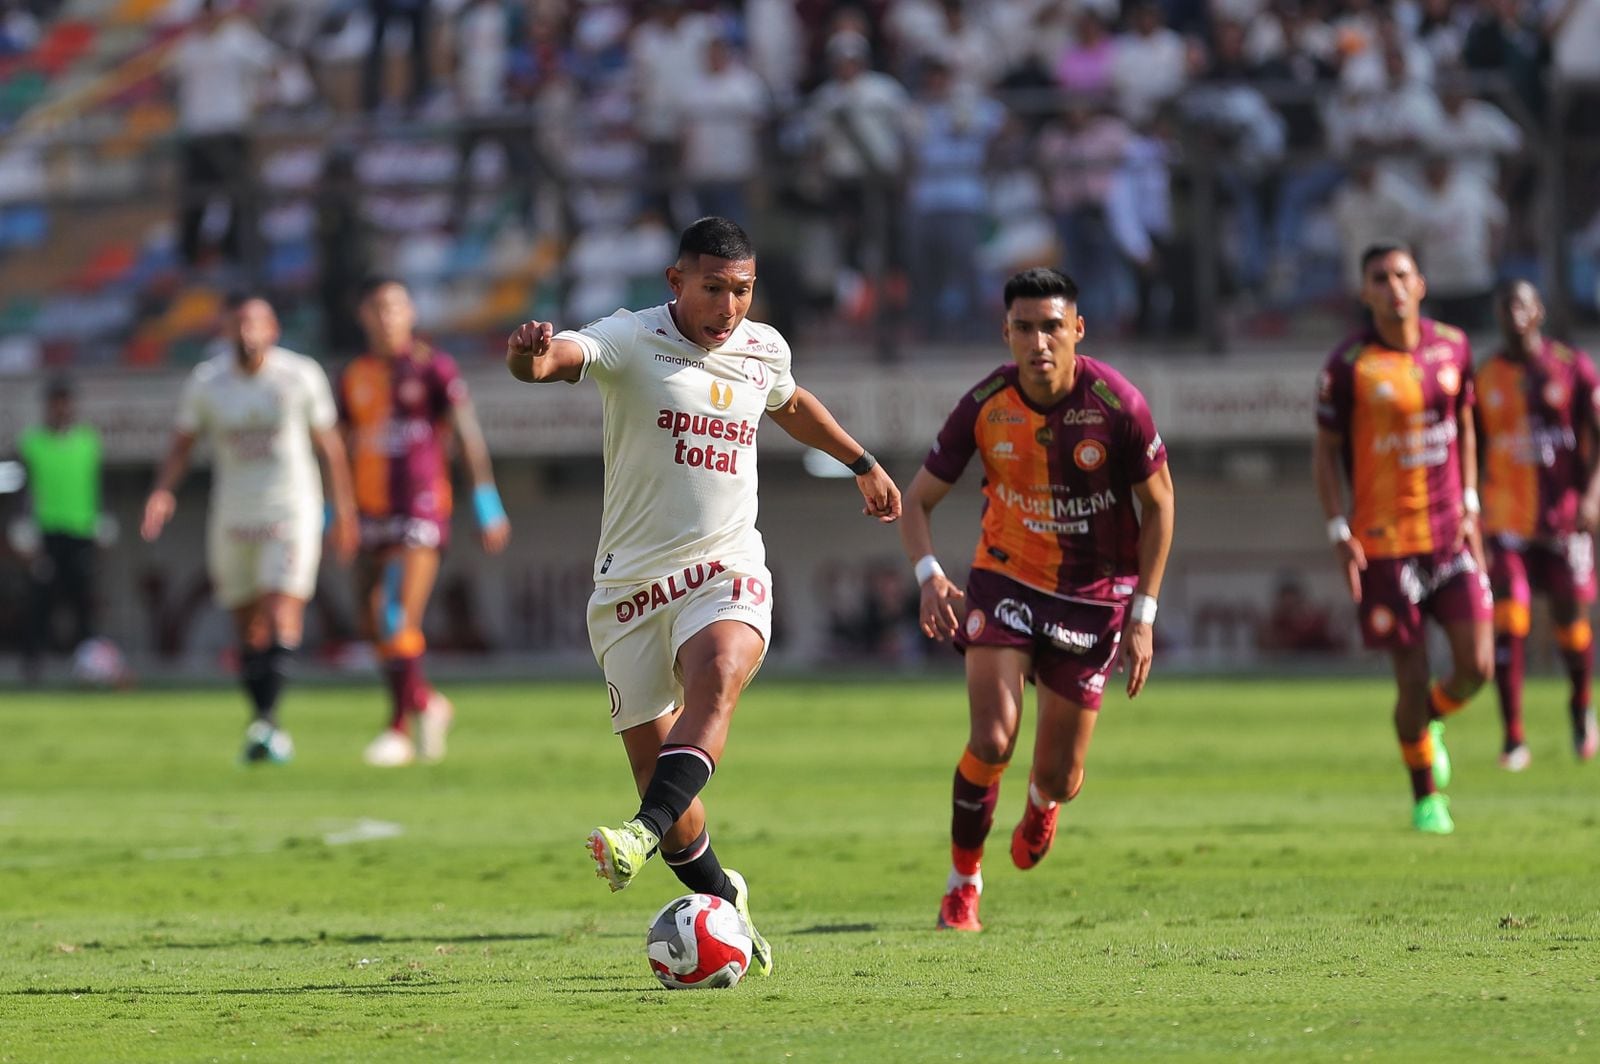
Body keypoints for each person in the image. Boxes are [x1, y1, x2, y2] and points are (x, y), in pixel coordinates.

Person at [504, 216, 902, 976]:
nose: (729, 307)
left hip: (725, 567)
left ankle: (637, 833)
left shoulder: (763, 347)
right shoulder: (631, 337)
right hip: (628, 592)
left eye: (742, 290)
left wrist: (862, 462)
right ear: (676, 281)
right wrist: (528, 355)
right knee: (673, 801)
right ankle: (723, 896)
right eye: (713, 288)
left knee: (717, 677)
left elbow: (789, 402)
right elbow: (555, 360)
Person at [898, 266, 1175, 933]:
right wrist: (930, 575)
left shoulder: (1118, 405)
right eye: (1024, 328)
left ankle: (1042, 802)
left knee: (1060, 776)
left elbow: (1161, 506)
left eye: (1052, 327)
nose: (1038, 341)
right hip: (1006, 581)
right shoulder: (985, 403)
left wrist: (1143, 614)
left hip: (1093, 598)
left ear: (1078, 329)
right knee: (991, 739)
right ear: (1007, 332)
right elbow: (917, 500)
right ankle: (963, 884)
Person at [1313, 243, 1494, 836]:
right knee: (1410, 677)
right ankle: (1426, 798)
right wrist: (1338, 529)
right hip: (1385, 545)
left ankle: (1428, 720)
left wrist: (1471, 503)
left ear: (1421, 284)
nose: (1392, 286)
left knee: (1477, 666)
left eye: (1401, 275)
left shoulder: (1454, 346)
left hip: (1449, 537)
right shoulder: (1349, 365)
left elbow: (1465, 423)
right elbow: (1325, 452)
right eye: (1379, 278)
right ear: (1364, 292)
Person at [141, 295, 358, 762]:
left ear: (273, 330)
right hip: (234, 513)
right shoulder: (207, 382)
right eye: (239, 323)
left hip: (291, 510)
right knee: (247, 625)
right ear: (225, 330)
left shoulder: (300, 376)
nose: (247, 332)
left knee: (282, 609)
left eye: (256, 323)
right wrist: (162, 492)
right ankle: (264, 722)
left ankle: (269, 721)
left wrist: (343, 510)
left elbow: (330, 447)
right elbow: (182, 443)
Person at [338, 277, 510, 767]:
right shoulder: (353, 376)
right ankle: (426, 702)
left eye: (395, 307)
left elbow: (467, 436)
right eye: (377, 308)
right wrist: (337, 511)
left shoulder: (434, 368)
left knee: (397, 616)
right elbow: (341, 449)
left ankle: (397, 730)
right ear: (363, 316)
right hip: (371, 512)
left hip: (422, 508)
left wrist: (486, 502)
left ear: (410, 313)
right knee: (371, 622)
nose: (386, 317)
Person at [1474, 279, 1600, 769]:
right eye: (1505, 307)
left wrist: (1592, 496)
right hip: (1506, 522)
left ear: (1539, 311)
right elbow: (1472, 448)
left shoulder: (1572, 368)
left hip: (1563, 520)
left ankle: (1581, 709)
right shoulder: (1485, 376)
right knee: (1510, 621)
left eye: (1522, 305)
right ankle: (1513, 737)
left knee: (1571, 627)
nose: (1514, 314)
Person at [15, 377, 101, 683]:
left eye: (65, 402)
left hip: (80, 532)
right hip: (45, 533)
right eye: (55, 402)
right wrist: (22, 535)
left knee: (83, 603)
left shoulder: (88, 442)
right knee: (40, 602)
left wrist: (101, 527)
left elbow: (97, 488)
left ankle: (88, 666)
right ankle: (33, 666)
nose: (61, 408)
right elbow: (21, 492)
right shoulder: (31, 443)